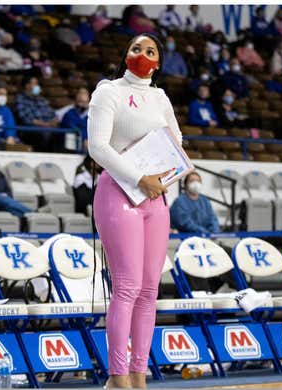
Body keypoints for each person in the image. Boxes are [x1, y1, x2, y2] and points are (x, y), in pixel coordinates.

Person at [87, 33, 182, 389]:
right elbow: (97, 146)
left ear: (158, 62)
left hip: (154, 198)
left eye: (151, 50)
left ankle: (140, 375)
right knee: (126, 288)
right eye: (135, 48)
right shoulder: (108, 91)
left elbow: (177, 142)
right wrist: (139, 176)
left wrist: (165, 175)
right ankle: (118, 376)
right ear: (126, 54)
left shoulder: (159, 97)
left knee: (149, 291)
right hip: (118, 192)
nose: (142, 54)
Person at [14, 75, 58, 151]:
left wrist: (54, 121)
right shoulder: (20, 99)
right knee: (45, 134)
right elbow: (26, 119)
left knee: (63, 133)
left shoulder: (42, 100)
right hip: (29, 130)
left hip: (47, 127)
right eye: (35, 83)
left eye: (37, 84)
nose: (37, 86)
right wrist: (46, 125)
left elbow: (52, 114)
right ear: (27, 86)